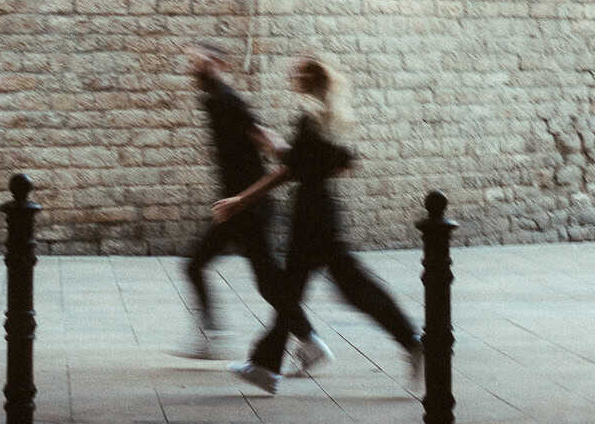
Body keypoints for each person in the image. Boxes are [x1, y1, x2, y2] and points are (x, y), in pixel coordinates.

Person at [216, 53, 422, 395]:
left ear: (309, 79)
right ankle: (266, 366)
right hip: (319, 211)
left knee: (332, 288)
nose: (290, 75)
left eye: (296, 72)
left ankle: (412, 341)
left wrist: (242, 197)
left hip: (310, 218)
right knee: (315, 289)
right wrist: (291, 156)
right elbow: (340, 162)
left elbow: (288, 171)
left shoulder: (310, 119)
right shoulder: (329, 119)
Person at [179, 43, 330, 372]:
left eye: (198, 60)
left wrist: (291, 156)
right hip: (235, 206)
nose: (192, 66)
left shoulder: (226, 99)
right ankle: (213, 334)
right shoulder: (212, 98)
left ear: (217, 63)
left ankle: (309, 341)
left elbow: (260, 131)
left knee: (266, 281)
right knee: (199, 265)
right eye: (191, 61)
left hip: (247, 207)